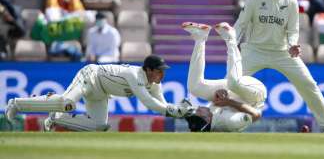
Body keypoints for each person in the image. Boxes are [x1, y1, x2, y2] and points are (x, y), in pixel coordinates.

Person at [234, 0, 324, 133]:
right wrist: (232, 44)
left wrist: (293, 44)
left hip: (283, 52)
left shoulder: (291, 1)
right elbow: (240, 25)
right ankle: (212, 118)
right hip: (255, 50)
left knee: (309, 84)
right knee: (232, 82)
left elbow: (293, 30)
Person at [5, 55, 191, 131]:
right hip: (90, 77)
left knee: (99, 126)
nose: (162, 74)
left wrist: (177, 110)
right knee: (67, 103)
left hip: (101, 92)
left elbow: (162, 105)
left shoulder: (155, 84)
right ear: (148, 69)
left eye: (163, 70)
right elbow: (148, 103)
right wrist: (173, 110)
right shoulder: (134, 74)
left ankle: (55, 118)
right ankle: (16, 104)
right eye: (159, 70)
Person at [182, 22, 267, 132]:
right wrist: (229, 102)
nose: (197, 109)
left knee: (194, 88)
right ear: (207, 120)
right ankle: (231, 38)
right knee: (233, 83)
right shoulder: (229, 123)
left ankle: (200, 37)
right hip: (254, 97)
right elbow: (256, 115)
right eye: (198, 113)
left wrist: (221, 95)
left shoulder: (211, 116)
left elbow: (219, 101)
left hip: (232, 94)